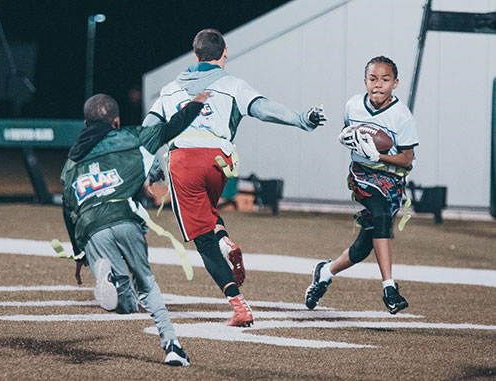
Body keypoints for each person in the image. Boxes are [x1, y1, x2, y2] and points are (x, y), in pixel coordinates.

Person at [143, 28, 326, 327]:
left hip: (185, 160)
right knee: (208, 214)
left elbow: (150, 128)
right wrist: (301, 119)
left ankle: (239, 305)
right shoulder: (232, 84)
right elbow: (264, 110)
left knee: (203, 243)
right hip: (219, 163)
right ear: (224, 53)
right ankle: (225, 240)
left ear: (196, 54)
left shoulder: (170, 88)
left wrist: (152, 165)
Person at [61, 91, 210, 366]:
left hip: (92, 228)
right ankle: (172, 346)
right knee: (145, 284)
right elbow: (171, 127)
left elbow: (67, 210)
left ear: (85, 125)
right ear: (116, 122)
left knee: (124, 302)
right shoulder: (134, 137)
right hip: (126, 217)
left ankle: (108, 279)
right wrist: (196, 104)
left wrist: (79, 254)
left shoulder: (71, 164)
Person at [305, 56, 418, 314]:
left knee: (362, 248)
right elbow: (348, 132)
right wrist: (349, 139)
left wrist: (378, 155)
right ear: (365, 81)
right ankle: (389, 288)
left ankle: (325, 271)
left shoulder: (402, 117)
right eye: (372, 79)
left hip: (390, 181)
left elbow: (407, 161)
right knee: (380, 216)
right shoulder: (354, 105)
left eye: (385, 80)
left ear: (395, 83)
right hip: (362, 175)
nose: (378, 85)